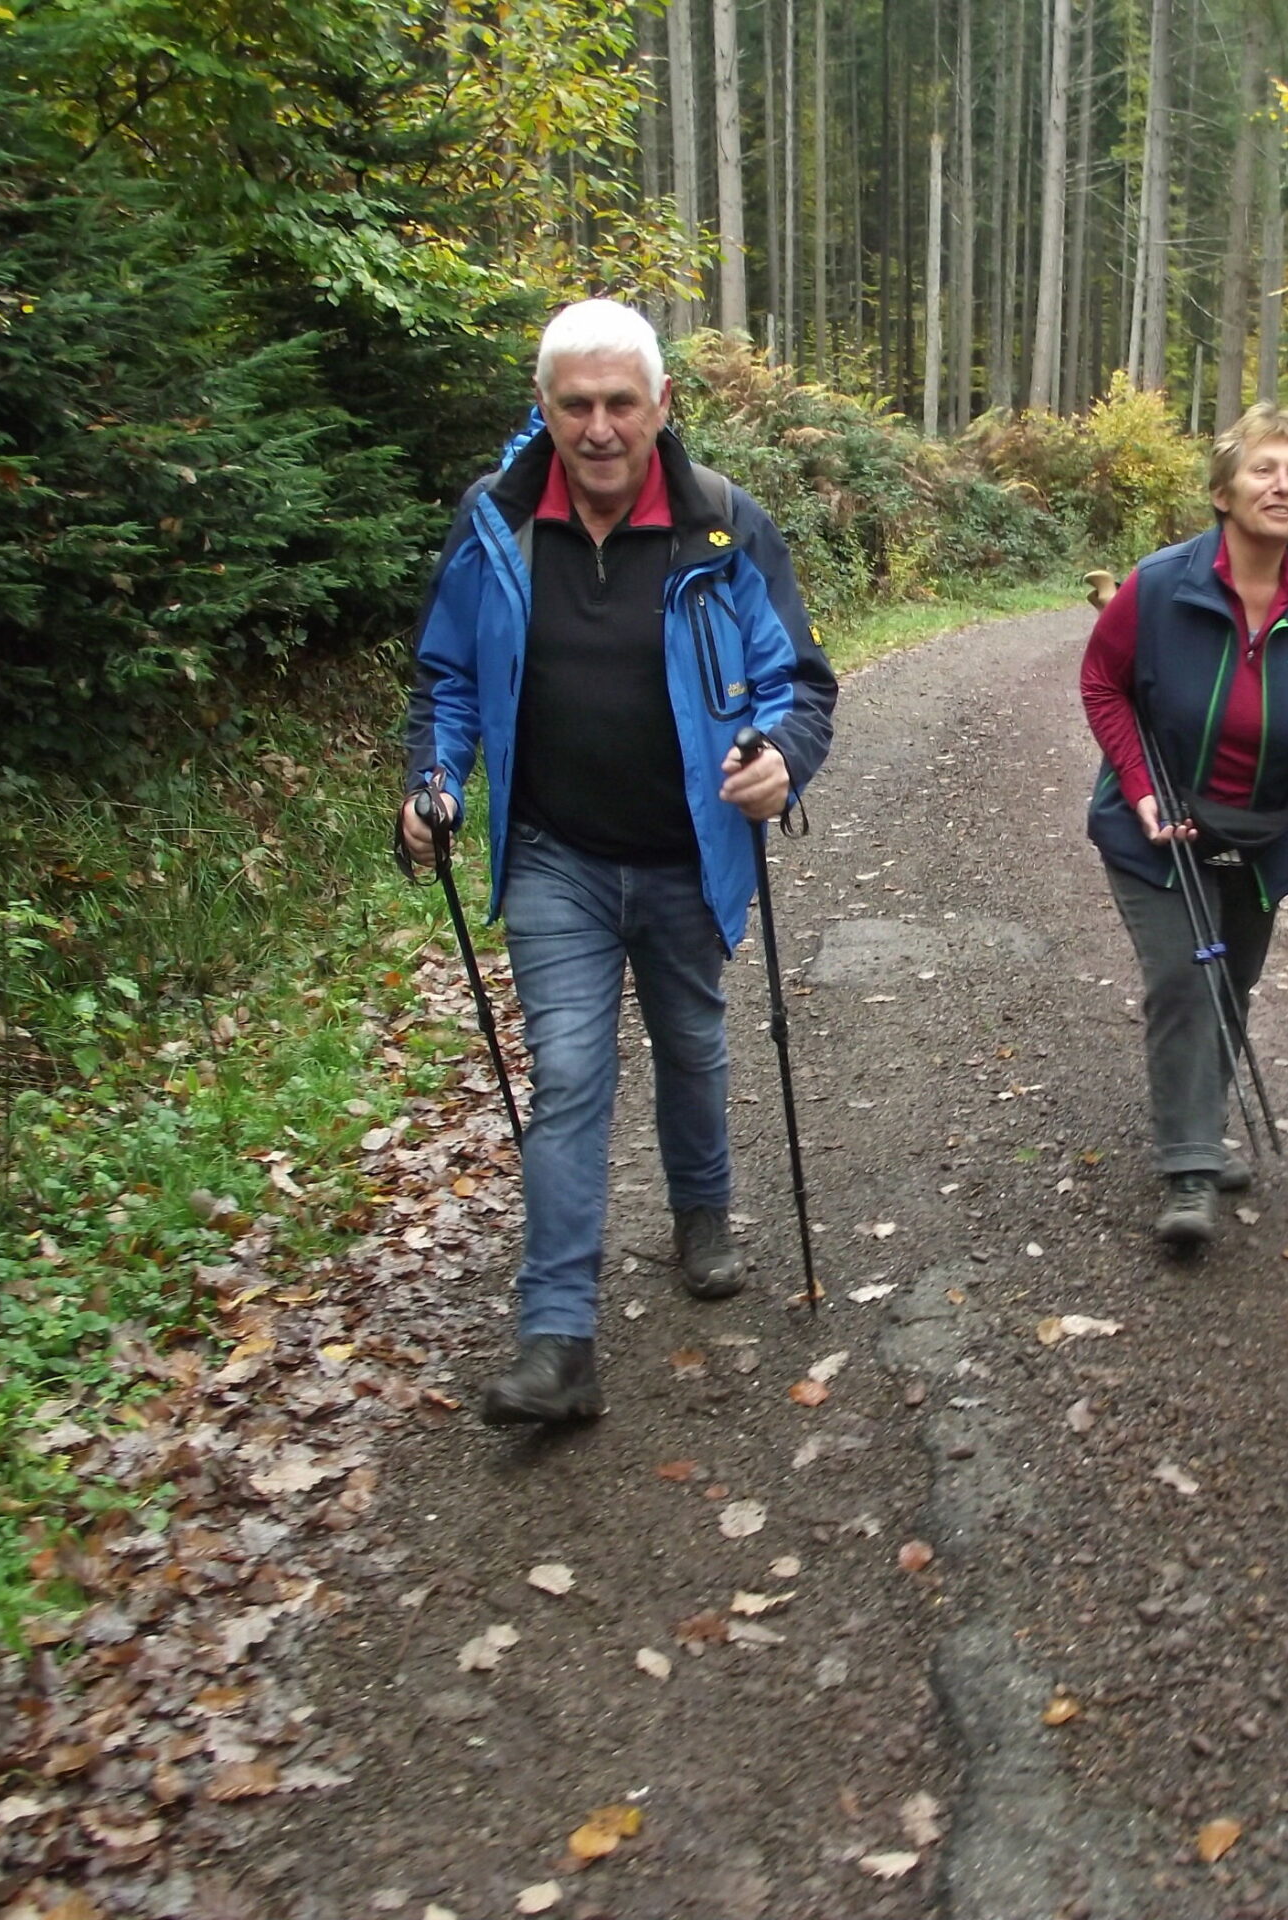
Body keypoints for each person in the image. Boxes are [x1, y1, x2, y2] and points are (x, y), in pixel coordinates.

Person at [398, 298, 835, 1425]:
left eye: (620, 403)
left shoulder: (722, 525)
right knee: (571, 1075)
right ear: (543, 406)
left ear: (661, 405)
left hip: (690, 851)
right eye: (576, 404)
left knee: (690, 1040)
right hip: (557, 855)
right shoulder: (496, 522)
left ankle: (702, 1210)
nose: (599, 427)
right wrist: (434, 781)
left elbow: (797, 682)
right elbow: (447, 677)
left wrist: (780, 759)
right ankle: (557, 1342)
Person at [1081, 403, 1288, 1247]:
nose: (1282, 485)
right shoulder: (1158, 585)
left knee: (1231, 981)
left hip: (1260, 830)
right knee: (1187, 975)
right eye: (1263, 469)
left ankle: (1202, 1129)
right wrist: (1140, 784)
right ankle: (1188, 1170)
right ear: (1223, 491)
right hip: (1157, 824)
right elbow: (1102, 682)